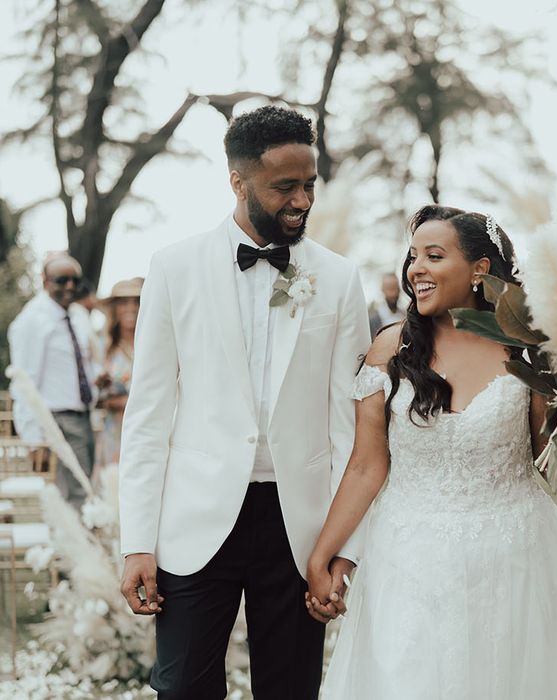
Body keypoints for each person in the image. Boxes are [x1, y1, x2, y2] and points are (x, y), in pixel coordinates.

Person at [308, 205, 557, 699]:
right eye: (413, 255)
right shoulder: (391, 349)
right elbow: (366, 465)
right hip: (409, 559)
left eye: (434, 256)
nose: (416, 268)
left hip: (515, 557)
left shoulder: (530, 354)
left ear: (480, 269)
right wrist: (325, 553)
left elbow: (550, 463)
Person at [118, 105, 370, 700]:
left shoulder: (337, 279)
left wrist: (342, 549)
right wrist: (138, 542)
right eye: (285, 187)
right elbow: (148, 415)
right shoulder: (173, 268)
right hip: (194, 523)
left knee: (290, 690)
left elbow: (349, 430)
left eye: (309, 185)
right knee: (182, 689)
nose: (302, 201)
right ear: (238, 181)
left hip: (298, 524)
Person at [8, 253, 98, 508]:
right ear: (45, 281)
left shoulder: (78, 316)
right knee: (72, 497)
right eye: (61, 280)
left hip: (82, 418)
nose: (70, 286)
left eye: (75, 280)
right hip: (55, 421)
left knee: (86, 493)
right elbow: (24, 383)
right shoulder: (31, 321)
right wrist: (34, 439)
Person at [95, 277, 143, 467]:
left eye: (137, 301)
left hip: (149, 428)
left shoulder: (154, 344)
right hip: (115, 431)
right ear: (114, 308)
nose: (131, 308)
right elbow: (95, 396)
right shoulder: (103, 348)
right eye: (123, 302)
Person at [368, 271, 407, 336]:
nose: (393, 294)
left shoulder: (405, 316)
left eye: (395, 288)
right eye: (389, 289)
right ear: (383, 290)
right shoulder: (373, 321)